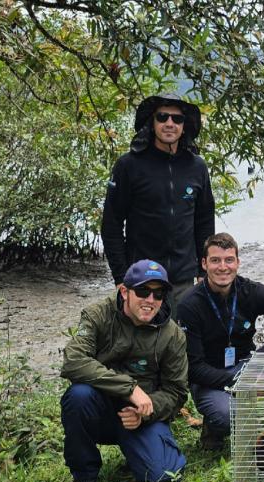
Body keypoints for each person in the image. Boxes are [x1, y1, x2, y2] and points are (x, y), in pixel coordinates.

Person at [60, 260, 188, 482]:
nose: (150, 299)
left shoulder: (173, 335)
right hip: (100, 409)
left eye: (158, 294)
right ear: (124, 291)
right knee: (78, 396)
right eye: (143, 291)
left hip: (140, 415)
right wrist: (130, 389)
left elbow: (176, 392)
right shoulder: (98, 314)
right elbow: (73, 361)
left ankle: (142, 450)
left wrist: (146, 413)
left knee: (163, 477)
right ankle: (84, 478)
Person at [177, 233, 264, 450]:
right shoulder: (189, 304)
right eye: (215, 260)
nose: (223, 267)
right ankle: (213, 428)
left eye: (229, 260)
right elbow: (193, 368)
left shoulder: (251, 290)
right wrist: (236, 382)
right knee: (227, 416)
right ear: (204, 264)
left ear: (238, 262)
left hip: (247, 364)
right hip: (209, 376)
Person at [101, 92, 215, 315]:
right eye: (162, 117)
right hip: (142, 279)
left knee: (183, 344)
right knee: (142, 345)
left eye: (177, 119)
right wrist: (121, 276)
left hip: (184, 280)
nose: (169, 124)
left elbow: (204, 221)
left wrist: (204, 271)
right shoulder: (129, 165)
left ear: (185, 125)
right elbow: (111, 225)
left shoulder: (197, 167)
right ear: (152, 123)